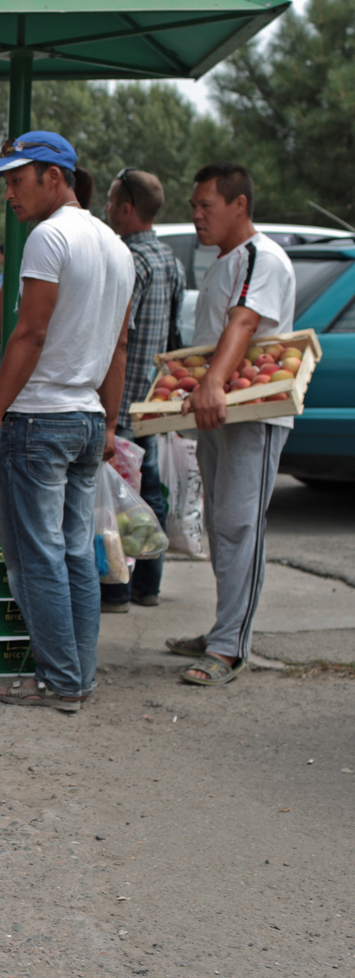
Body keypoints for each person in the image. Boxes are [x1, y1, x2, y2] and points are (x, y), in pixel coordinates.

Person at [0, 131, 133, 713]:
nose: (9, 193)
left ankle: (60, 680)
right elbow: (118, 349)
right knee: (76, 553)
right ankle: (77, 675)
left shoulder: (48, 237)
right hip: (86, 417)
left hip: (40, 419)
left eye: (17, 179)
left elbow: (29, 333)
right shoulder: (115, 245)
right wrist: (108, 425)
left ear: (54, 177)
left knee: (38, 556)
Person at [166, 163, 295, 686]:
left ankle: (229, 647)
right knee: (221, 524)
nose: (196, 216)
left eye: (206, 206)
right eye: (194, 206)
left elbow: (244, 322)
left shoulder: (263, 258)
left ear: (239, 205)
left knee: (241, 525)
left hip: (251, 414)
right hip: (217, 409)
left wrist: (213, 383)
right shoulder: (221, 261)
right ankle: (226, 628)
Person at [99, 169, 184, 613]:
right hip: (152, 403)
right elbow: (173, 338)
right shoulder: (171, 260)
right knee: (148, 495)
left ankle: (114, 589)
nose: (107, 210)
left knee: (113, 503)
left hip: (119, 403)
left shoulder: (126, 258)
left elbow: (119, 337)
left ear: (127, 209)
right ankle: (147, 584)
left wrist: (108, 413)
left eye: (112, 203)